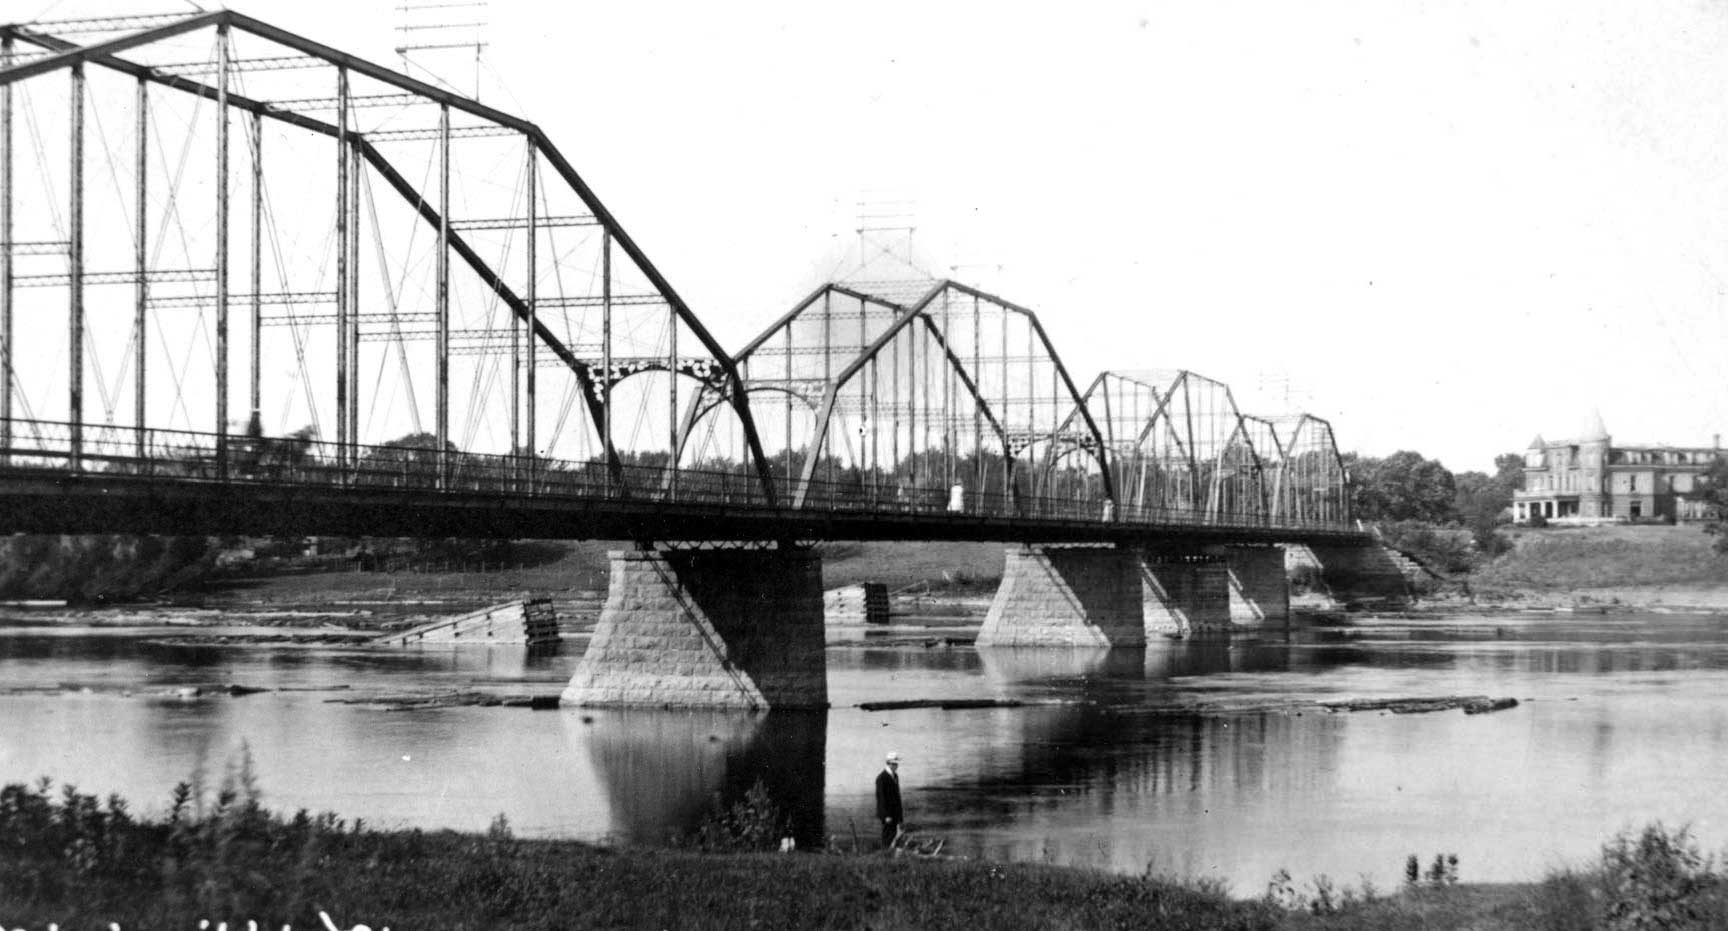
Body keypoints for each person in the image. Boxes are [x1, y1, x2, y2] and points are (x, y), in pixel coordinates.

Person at [875, 750, 904, 848]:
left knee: (895, 834)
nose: (897, 766)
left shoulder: (895, 776)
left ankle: (892, 853)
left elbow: (897, 796)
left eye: (897, 764)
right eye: (895, 764)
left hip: (895, 813)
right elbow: (881, 798)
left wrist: (900, 816)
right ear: (889, 763)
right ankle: (886, 853)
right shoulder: (881, 778)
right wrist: (886, 815)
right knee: (887, 834)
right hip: (887, 814)